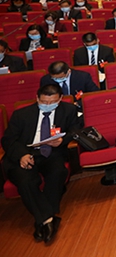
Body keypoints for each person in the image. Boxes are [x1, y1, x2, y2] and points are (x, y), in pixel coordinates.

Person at [1, 83, 81, 243]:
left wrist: (63, 140)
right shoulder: (21, 114)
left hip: (51, 153)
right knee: (26, 180)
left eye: (52, 102)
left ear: (60, 99)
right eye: (44, 102)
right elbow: (8, 140)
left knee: (58, 172)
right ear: (37, 98)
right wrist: (22, 155)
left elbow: (75, 130)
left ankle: (42, 221)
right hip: (25, 154)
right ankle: (48, 219)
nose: (48, 105)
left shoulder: (69, 110)